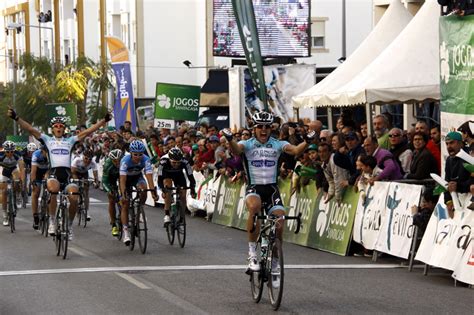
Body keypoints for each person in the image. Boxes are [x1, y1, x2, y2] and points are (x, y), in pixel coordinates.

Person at [222, 111, 315, 274]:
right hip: (254, 188)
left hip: (272, 189)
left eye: (267, 127)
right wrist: (230, 139)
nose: (263, 130)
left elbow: (294, 151)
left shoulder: (278, 144)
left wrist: (307, 141)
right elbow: (237, 150)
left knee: (279, 222)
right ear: (254, 128)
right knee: (254, 206)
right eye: (260, 127)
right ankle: (251, 254)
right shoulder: (247, 143)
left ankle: (275, 259)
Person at [7, 107, 111, 241]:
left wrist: (104, 121)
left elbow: (88, 131)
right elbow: (31, 129)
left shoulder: (70, 140)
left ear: (64, 129)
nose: (58, 128)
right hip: (54, 174)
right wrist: (17, 118)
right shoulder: (47, 140)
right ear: (52, 129)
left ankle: (69, 225)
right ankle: (51, 221)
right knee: (53, 190)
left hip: (67, 176)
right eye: (56, 126)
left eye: (61, 126)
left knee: (74, 197)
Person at [119, 140, 158, 245]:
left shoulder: (146, 159)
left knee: (144, 188)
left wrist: (153, 192)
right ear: (131, 153)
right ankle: (126, 232)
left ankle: (140, 209)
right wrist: (123, 194)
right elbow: (122, 180)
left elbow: (149, 177)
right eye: (135, 154)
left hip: (137, 178)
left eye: (140, 154)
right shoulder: (125, 160)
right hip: (126, 180)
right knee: (125, 204)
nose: (138, 157)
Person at [157, 147, 196, 226]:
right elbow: (159, 178)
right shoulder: (163, 162)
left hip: (178, 175)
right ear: (169, 159)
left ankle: (182, 216)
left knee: (183, 195)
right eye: (174, 163)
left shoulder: (185, 162)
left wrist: (192, 189)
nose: (176, 164)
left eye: (178, 163)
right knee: (168, 188)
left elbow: (191, 176)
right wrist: (163, 190)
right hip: (166, 174)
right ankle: (167, 214)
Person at [444, 131, 471, 218]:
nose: (449, 147)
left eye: (451, 143)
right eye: (447, 144)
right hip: (457, 199)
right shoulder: (449, 160)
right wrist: (448, 201)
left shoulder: (470, 156)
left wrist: (458, 186)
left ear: (460, 144)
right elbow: (446, 182)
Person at [0, 141, 25, 226]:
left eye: (12, 151)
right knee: (3, 191)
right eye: (7, 151)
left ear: (14, 151)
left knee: (17, 181)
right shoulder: (1, 155)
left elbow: (22, 169)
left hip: (14, 169)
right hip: (5, 171)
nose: (10, 153)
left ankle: (18, 196)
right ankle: (5, 215)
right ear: (4, 150)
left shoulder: (18, 155)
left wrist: (22, 180)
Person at [71, 149, 100, 221]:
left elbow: (95, 174)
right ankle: (77, 206)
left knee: (86, 191)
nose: (87, 161)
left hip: (84, 173)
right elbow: (72, 171)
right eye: (86, 158)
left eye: (89, 159)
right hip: (75, 173)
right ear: (83, 157)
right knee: (76, 188)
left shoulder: (93, 162)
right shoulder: (77, 160)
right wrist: (76, 181)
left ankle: (87, 211)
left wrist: (96, 182)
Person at [102, 149, 124, 237]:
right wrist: (109, 190)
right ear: (111, 160)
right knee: (111, 199)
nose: (117, 162)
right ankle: (114, 224)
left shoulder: (125, 161)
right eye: (115, 161)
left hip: (122, 176)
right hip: (111, 178)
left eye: (119, 160)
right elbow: (104, 181)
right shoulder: (108, 164)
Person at [30, 145, 49, 230]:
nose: (47, 154)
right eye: (45, 152)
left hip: (47, 171)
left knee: (51, 189)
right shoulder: (36, 154)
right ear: (42, 151)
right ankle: (35, 216)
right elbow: (33, 171)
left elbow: (53, 168)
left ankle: (47, 211)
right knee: (36, 192)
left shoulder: (52, 155)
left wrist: (47, 175)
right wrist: (33, 182)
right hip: (38, 172)